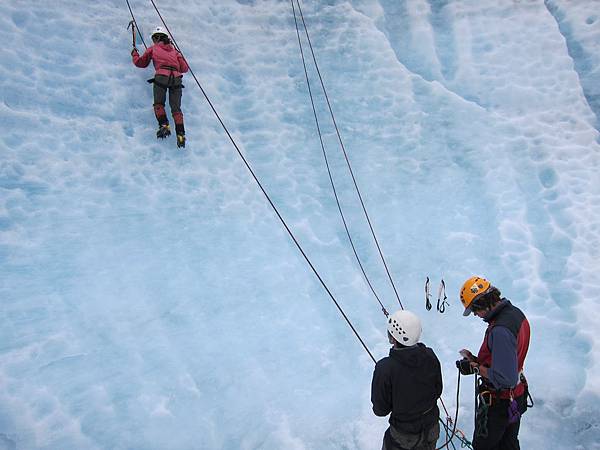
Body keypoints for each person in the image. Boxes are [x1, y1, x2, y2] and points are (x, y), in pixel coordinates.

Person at [458, 276, 531, 450]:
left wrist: (476, 368)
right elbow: (510, 358)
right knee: (509, 444)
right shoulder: (515, 314)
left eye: (474, 310)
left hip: (500, 403)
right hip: (515, 397)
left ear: (480, 304)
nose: (476, 315)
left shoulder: (500, 331)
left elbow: (505, 378)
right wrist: (477, 360)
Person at [371, 310, 443, 450]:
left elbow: (380, 410)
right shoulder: (429, 355)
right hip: (431, 427)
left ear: (392, 337)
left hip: (404, 436)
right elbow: (437, 390)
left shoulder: (385, 368)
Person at [131, 26, 189, 148]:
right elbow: (184, 68)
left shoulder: (153, 48)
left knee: (159, 104)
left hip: (162, 76)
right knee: (176, 109)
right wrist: (178, 55)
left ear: (157, 38)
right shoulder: (175, 51)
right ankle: (181, 135)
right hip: (176, 79)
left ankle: (164, 125)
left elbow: (141, 63)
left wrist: (134, 53)